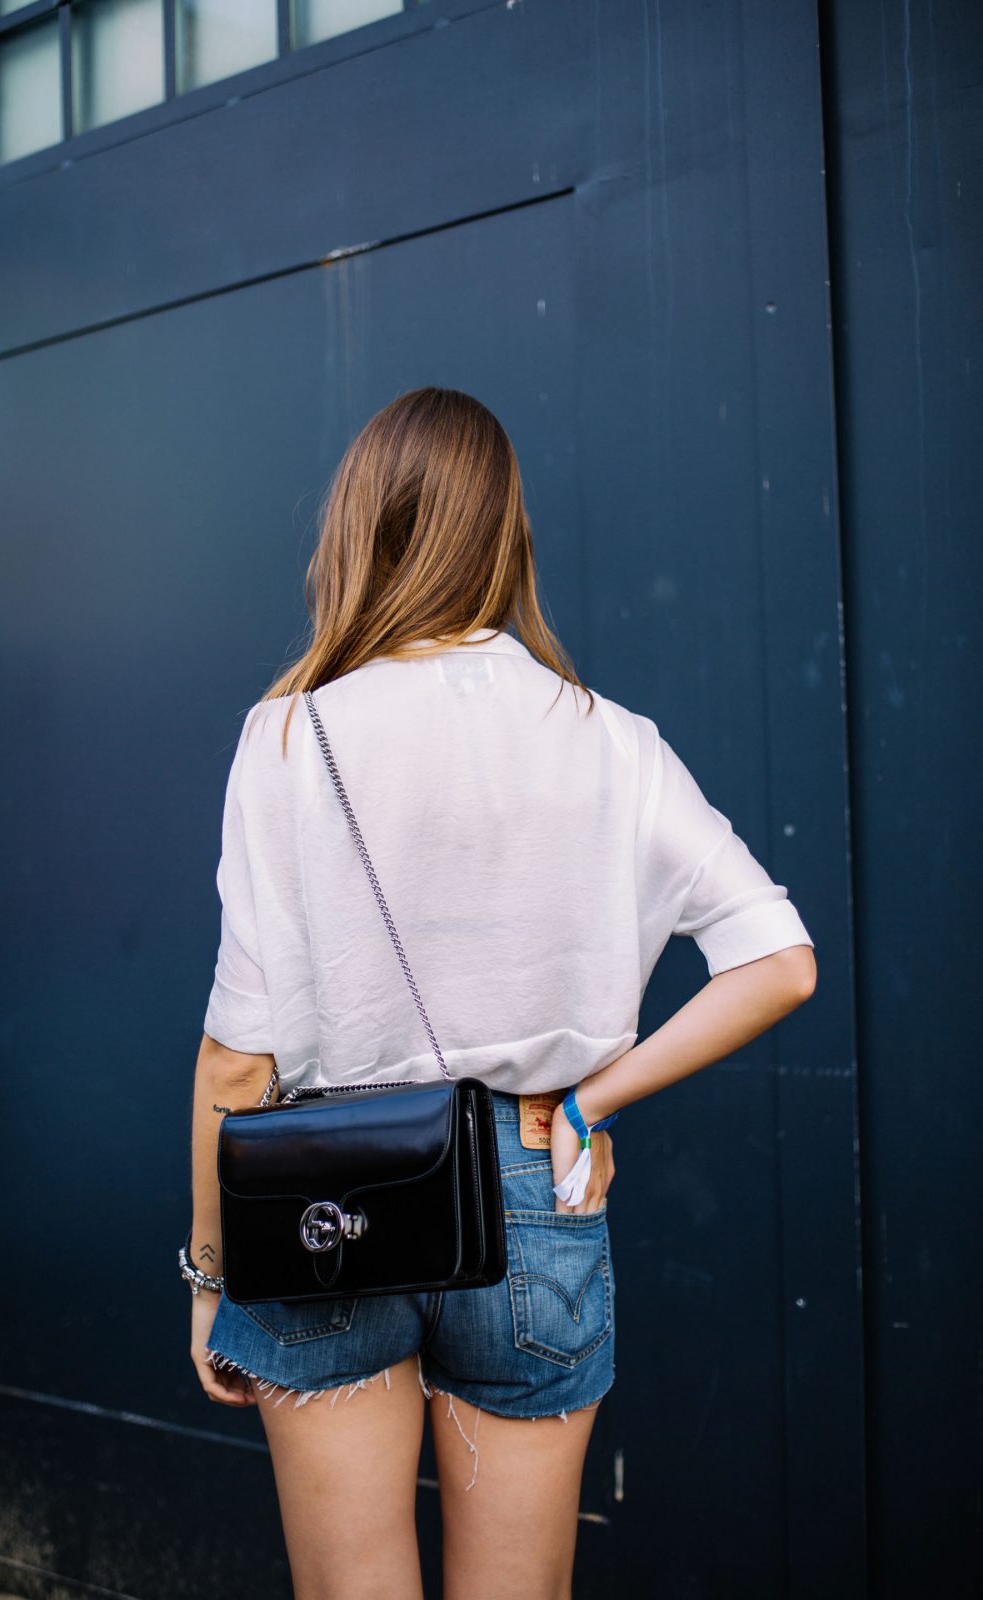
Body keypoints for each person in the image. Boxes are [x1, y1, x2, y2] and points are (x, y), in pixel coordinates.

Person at [182, 386, 817, 1600]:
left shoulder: (285, 737)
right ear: (503, 536)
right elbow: (777, 958)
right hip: (538, 1191)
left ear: (360, 533)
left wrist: (212, 1276)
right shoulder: (610, 741)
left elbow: (234, 1062)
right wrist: (587, 1102)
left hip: (326, 1201)